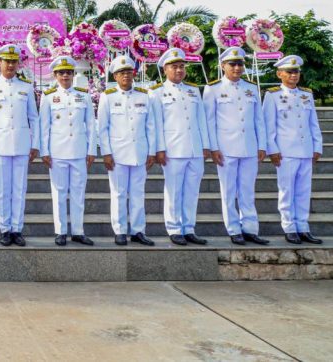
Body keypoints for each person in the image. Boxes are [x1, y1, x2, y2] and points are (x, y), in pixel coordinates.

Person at [151, 48, 218, 246]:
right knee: (173, 191)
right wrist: (159, 149)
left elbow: (201, 120)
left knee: (192, 191)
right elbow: (156, 124)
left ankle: (189, 228)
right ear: (165, 69)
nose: (179, 70)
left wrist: (206, 145)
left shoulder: (193, 90)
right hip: (173, 149)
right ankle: (174, 228)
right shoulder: (157, 92)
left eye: (181, 66)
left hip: (195, 148)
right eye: (174, 67)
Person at [203, 47, 270, 245]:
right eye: (232, 64)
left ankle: (250, 228)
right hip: (226, 148)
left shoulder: (251, 87)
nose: (237, 68)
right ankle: (233, 229)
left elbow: (259, 120)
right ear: (223, 65)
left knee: (248, 190)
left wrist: (262, 145)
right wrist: (213, 148)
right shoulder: (213, 89)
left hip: (249, 146)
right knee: (229, 191)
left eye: (240, 64)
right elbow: (209, 122)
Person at [97, 55, 162, 246]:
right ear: (115, 76)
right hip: (117, 154)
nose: (126, 75)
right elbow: (103, 128)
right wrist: (106, 153)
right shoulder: (108, 97)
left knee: (138, 193)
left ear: (134, 74)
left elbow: (151, 126)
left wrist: (151, 152)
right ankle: (119, 230)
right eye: (121, 73)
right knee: (118, 193)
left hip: (140, 152)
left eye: (128, 72)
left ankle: (138, 230)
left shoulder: (144, 95)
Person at [0, 44, 39, 246]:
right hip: (0, 144)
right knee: (3, 189)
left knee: (20, 189)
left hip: (22, 144)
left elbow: (34, 117)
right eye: (7, 61)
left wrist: (35, 144)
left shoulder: (26, 86)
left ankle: (17, 229)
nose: (10, 65)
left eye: (14, 61)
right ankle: (4, 229)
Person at [263, 55, 323, 245]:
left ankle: (303, 227)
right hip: (285, 152)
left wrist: (317, 146)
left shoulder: (306, 94)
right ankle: (289, 228)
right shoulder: (272, 95)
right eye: (289, 72)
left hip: (306, 150)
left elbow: (313, 123)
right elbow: (269, 126)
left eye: (296, 71)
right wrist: (272, 150)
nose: (294, 75)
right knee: (287, 191)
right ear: (279, 74)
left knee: (304, 192)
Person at [39, 55, 96, 246]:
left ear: (73, 74)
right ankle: (61, 231)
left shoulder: (84, 95)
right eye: (61, 73)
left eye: (68, 73)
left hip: (79, 151)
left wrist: (91, 150)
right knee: (59, 193)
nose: (65, 76)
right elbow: (44, 126)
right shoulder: (48, 97)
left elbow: (90, 125)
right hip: (57, 152)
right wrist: (44, 151)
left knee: (78, 193)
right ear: (55, 75)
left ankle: (78, 231)